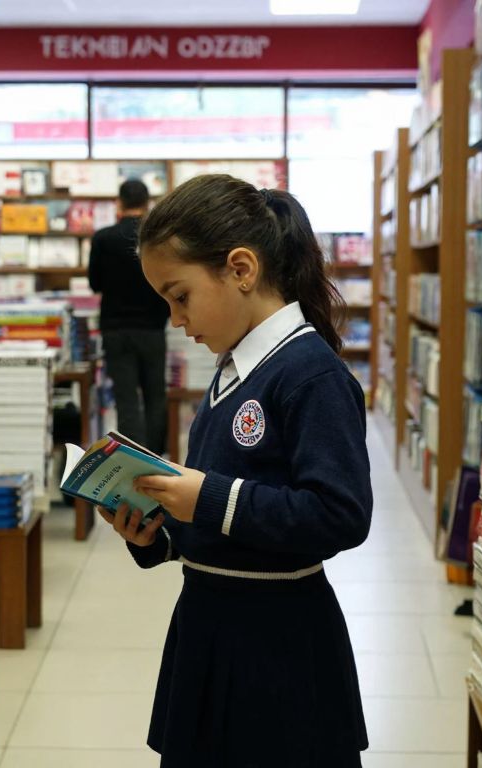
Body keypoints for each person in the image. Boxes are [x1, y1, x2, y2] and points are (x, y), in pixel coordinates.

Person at [98, 174, 372, 767]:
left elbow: (340, 514)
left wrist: (208, 499)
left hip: (280, 644)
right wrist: (161, 532)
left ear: (241, 269)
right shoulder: (231, 370)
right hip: (210, 624)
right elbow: (231, 508)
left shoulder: (310, 374)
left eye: (180, 295)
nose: (174, 318)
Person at [88, 178, 171, 454]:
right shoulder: (159, 239)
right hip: (153, 328)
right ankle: (158, 460)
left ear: (119, 203)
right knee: (155, 396)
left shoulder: (102, 238)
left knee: (126, 400)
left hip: (116, 329)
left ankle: (135, 465)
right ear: (148, 204)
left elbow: (95, 283)